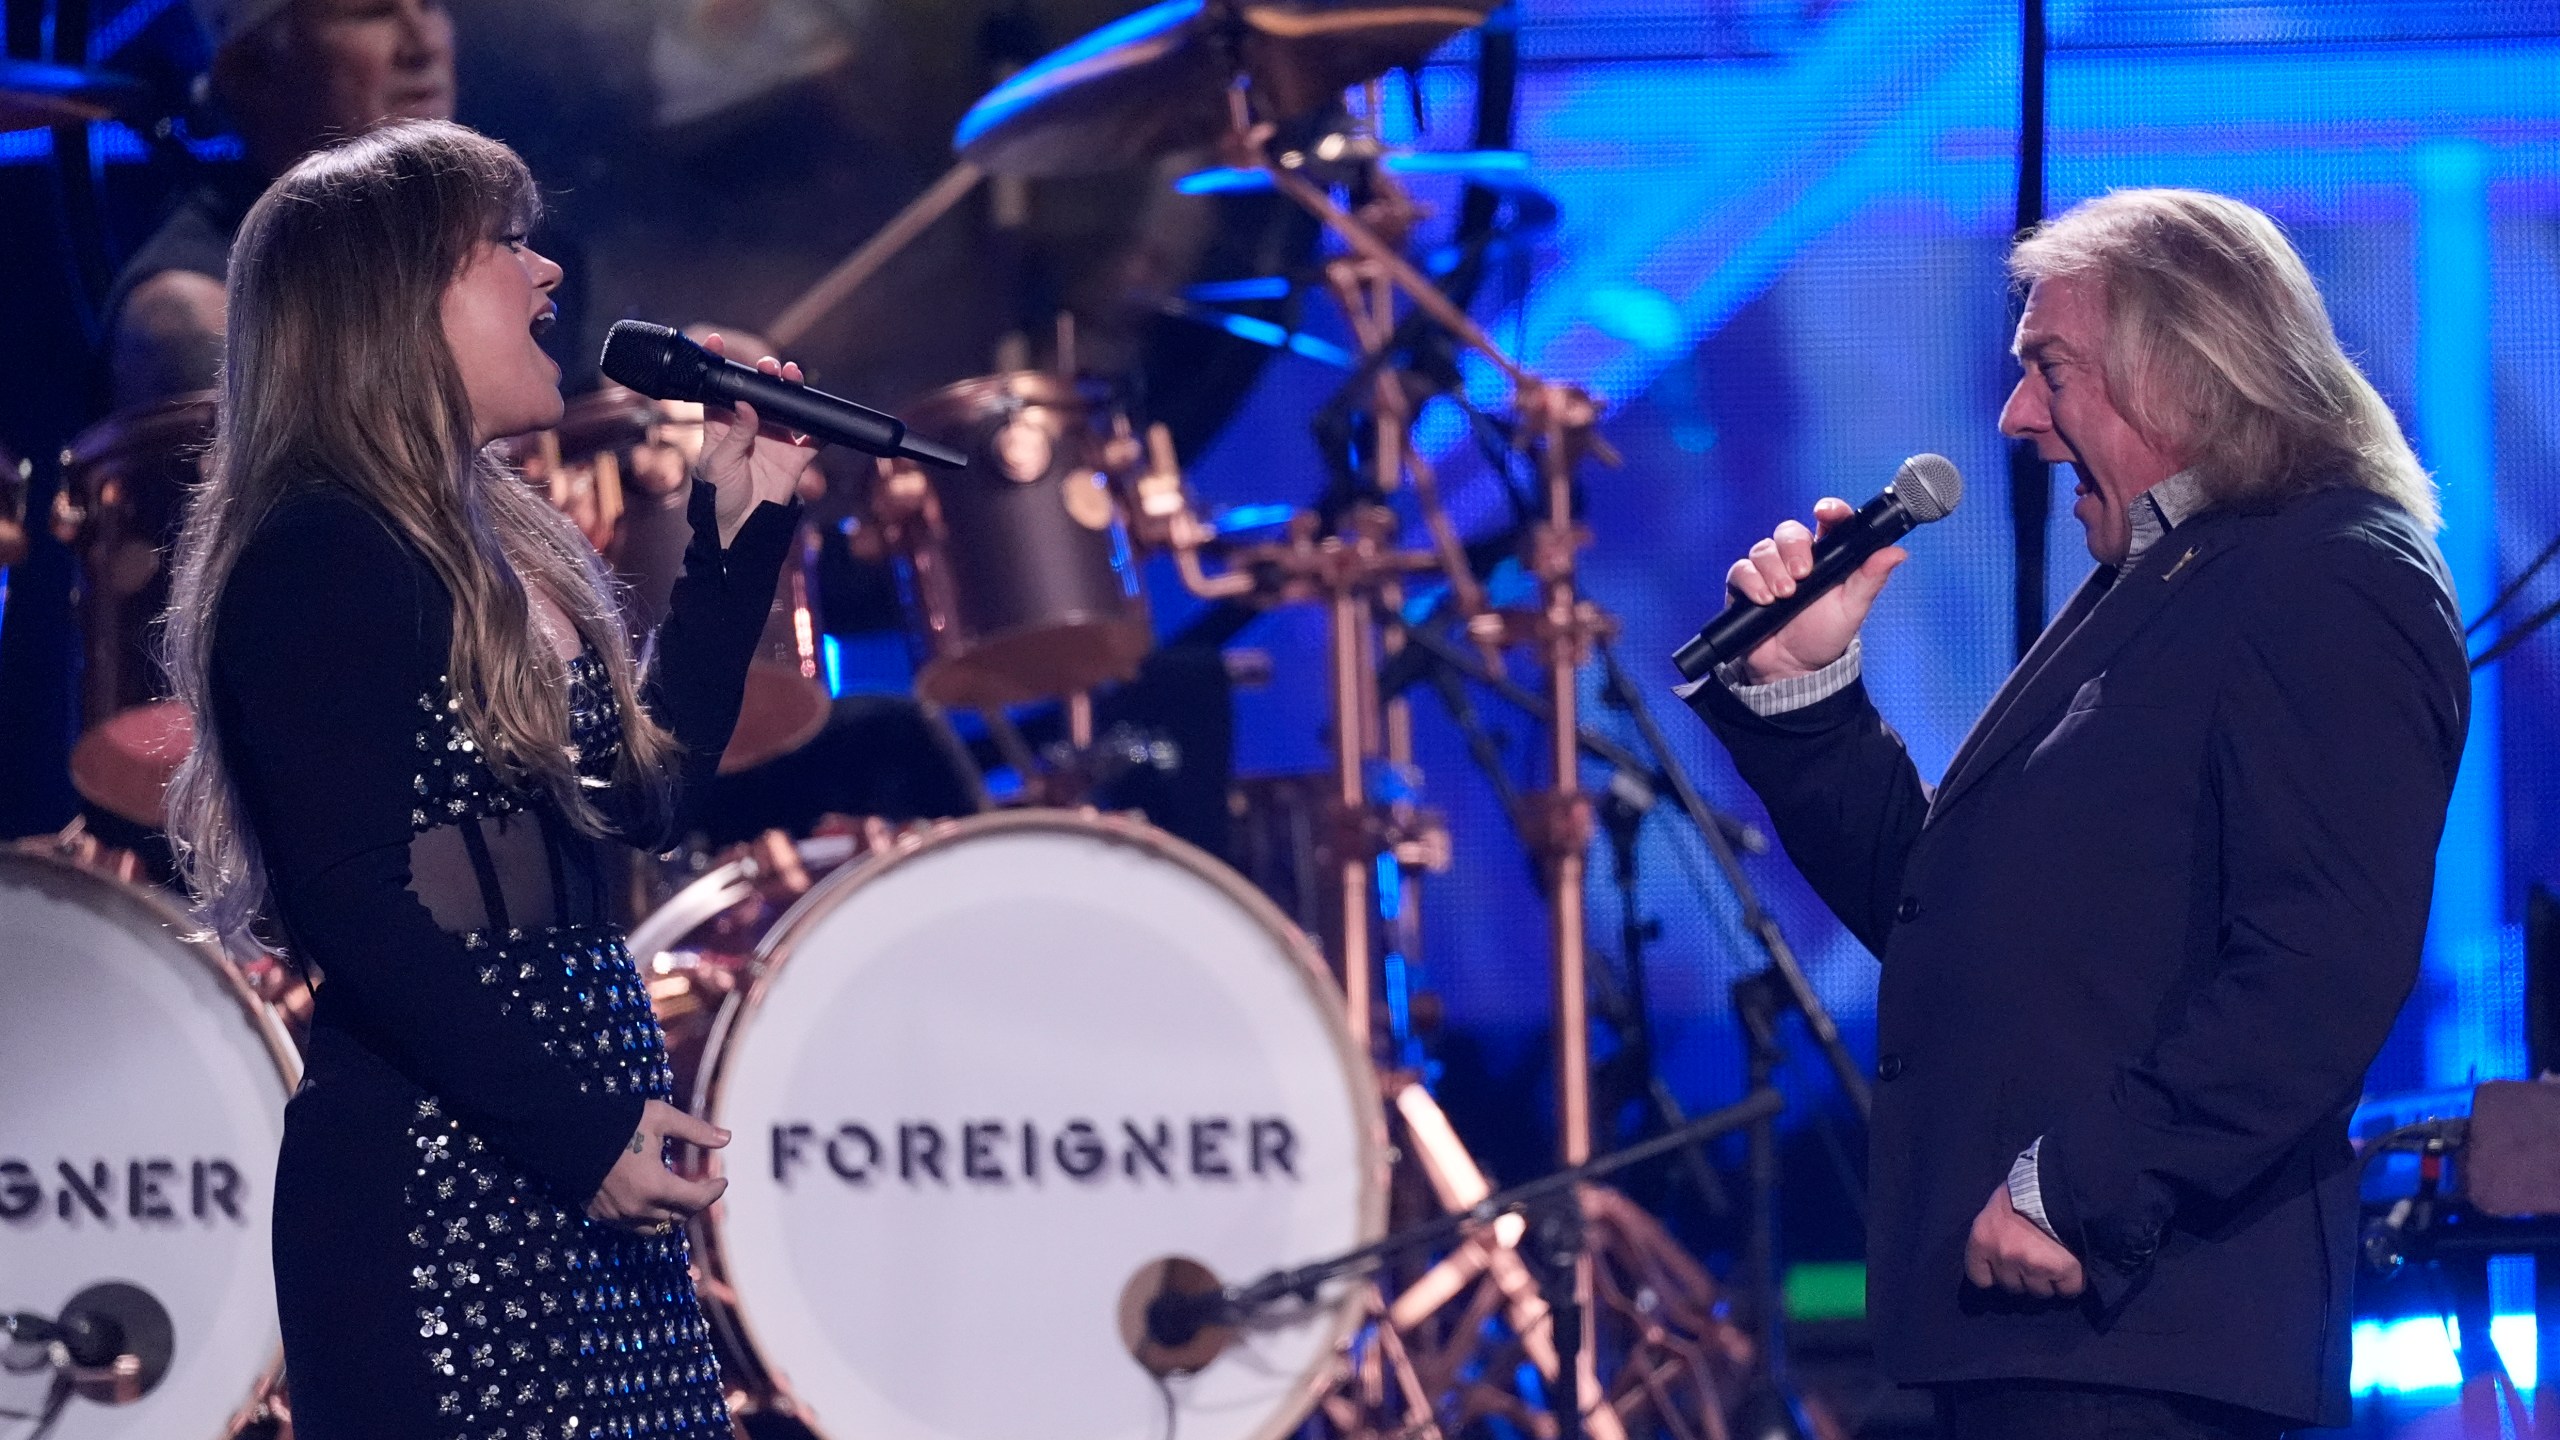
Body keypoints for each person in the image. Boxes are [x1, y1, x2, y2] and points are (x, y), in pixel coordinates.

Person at [1684, 188, 2469, 1437]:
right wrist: (1808, 697)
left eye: (2050, 370)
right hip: (2049, 1332)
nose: (2015, 419)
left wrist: (2080, 1190)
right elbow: (1949, 919)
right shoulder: (2163, 581)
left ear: (2190, 367)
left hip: (2141, 1331)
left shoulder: (2329, 576)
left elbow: (2320, 966)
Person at [158, 120, 816, 1437]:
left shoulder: (508, 542)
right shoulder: (319, 548)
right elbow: (356, 907)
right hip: (446, 1189)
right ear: (391, 300)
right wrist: (578, 1135)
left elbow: (648, 802)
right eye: (503, 247)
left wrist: (737, 549)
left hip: (586, 1165)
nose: (548, 275)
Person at [105, 0, 457, 408]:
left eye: (430, 4)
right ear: (250, 72)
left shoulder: (488, 245)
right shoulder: (198, 316)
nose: (424, 45)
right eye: (370, 12)